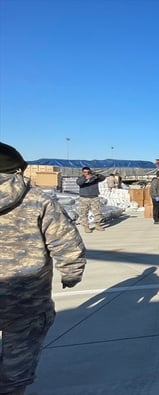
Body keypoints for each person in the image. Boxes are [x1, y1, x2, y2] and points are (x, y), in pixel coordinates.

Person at [0, 142, 87, 395]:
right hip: (25, 298)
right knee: (18, 359)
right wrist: (72, 273)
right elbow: (66, 241)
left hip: (24, 299)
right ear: (17, 170)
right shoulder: (38, 200)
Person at [76, 166, 106, 232]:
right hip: (84, 198)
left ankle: (97, 225)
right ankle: (86, 227)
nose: (87, 173)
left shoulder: (94, 178)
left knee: (97, 212)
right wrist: (85, 178)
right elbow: (79, 183)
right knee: (83, 213)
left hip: (94, 197)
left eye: (88, 172)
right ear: (82, 172)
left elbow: (103, 178)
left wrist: (96, 174)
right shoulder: (80, 178)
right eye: (85, 172)